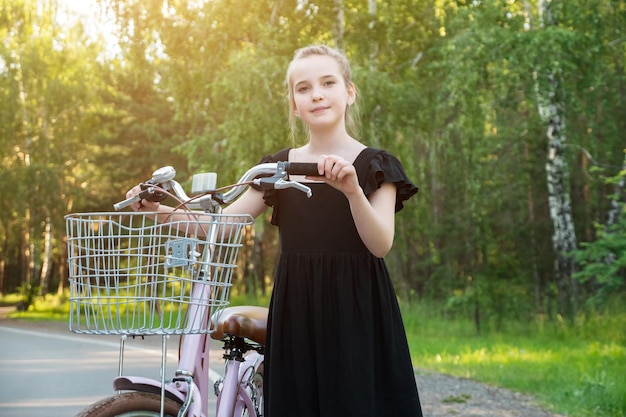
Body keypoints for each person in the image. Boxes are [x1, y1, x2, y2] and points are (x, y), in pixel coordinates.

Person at [127, 44, 423, 417]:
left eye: (328, 82)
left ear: (349, 92)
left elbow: (380, 244)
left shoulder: (375, 165)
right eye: (303, 88)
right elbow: (221, 228)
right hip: (297, 311)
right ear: (294, 105)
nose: (316, 93)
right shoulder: (278, 168)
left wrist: (351, 192)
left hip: (358, 314)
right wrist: (159, 210)